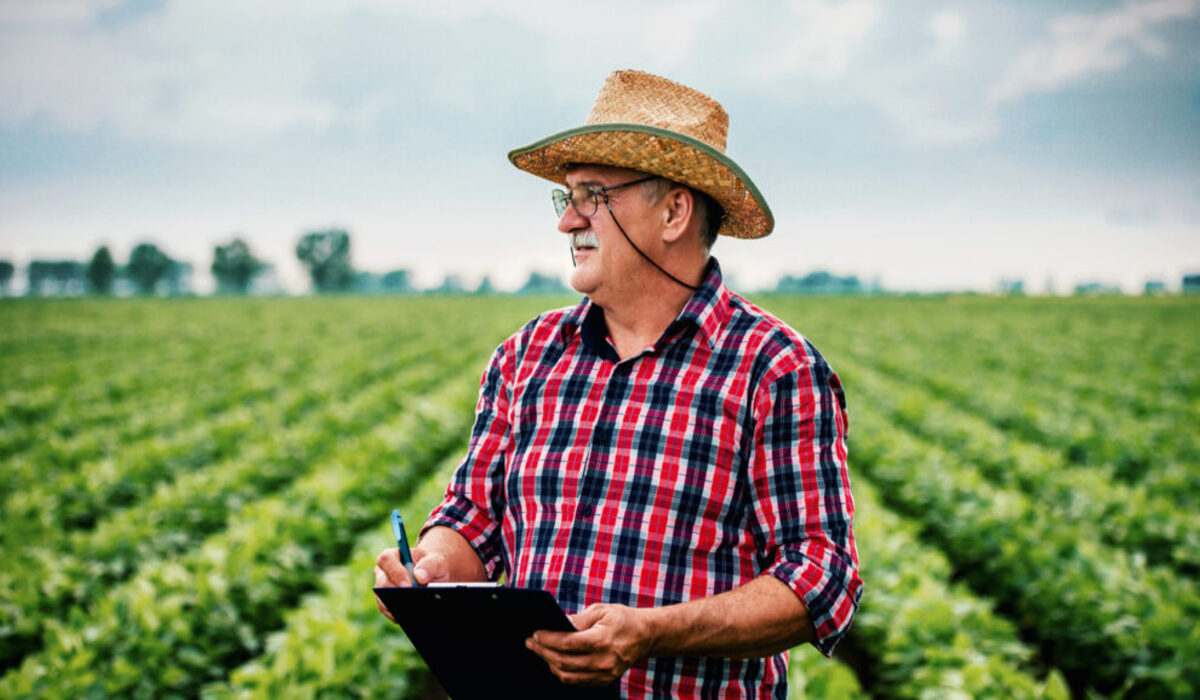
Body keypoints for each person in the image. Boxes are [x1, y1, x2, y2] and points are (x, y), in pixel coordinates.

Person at [375, 69, 861, 698]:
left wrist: (653, 631)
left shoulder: (774, 369)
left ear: (675, 211)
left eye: (592, 196)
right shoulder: (526, 357)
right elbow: (472, 519)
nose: (566, 222)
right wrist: (431, 570)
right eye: (565, 198)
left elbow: (822, 578)